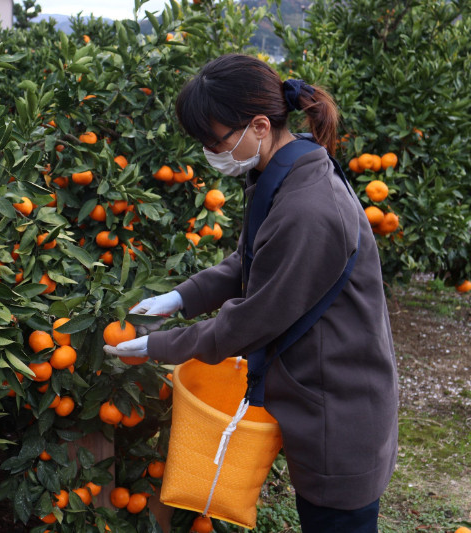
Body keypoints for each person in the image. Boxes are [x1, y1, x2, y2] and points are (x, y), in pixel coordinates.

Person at [103, 54, 398, 533]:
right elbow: (250, 260)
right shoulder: (285, 171)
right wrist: (181, 297)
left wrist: (159, 345)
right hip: (320, 395)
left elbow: (252, 321)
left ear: (259, 125)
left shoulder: (308, 208)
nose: (208, 153)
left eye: (214, 140)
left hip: (340, 413)